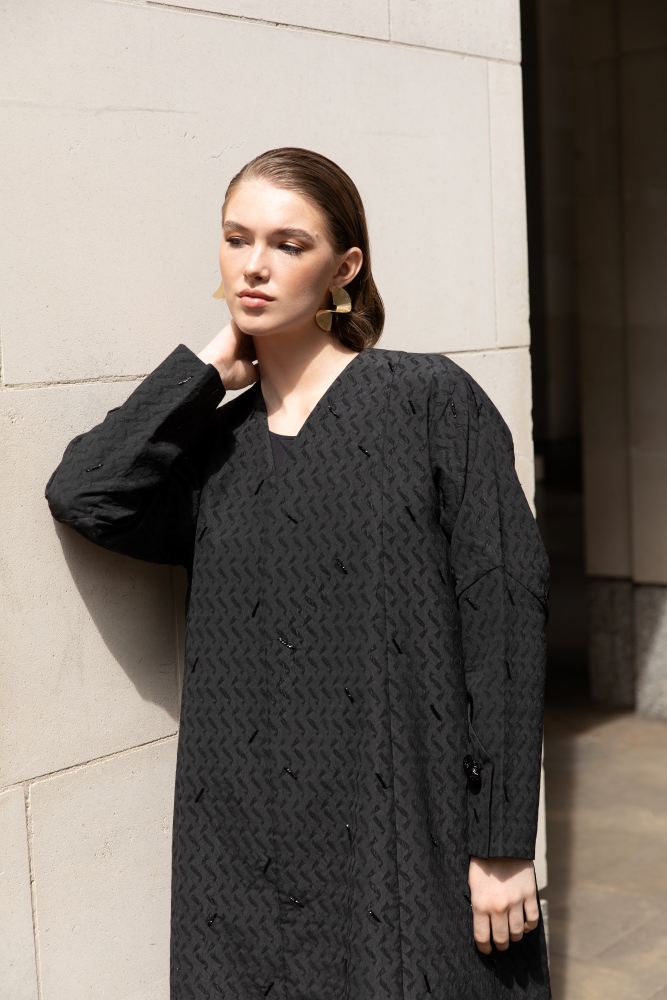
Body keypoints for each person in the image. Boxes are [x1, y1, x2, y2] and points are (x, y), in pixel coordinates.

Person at [45, 147, 551, 999]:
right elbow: (85, 493)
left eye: (287, 244)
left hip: (403, 832)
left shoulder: (426, 401)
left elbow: (504, 611)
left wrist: (501, 841)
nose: (253, 265)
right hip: (241, 858)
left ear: (343, 268)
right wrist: (203, 375)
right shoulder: (214, 448)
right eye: (236, 238)